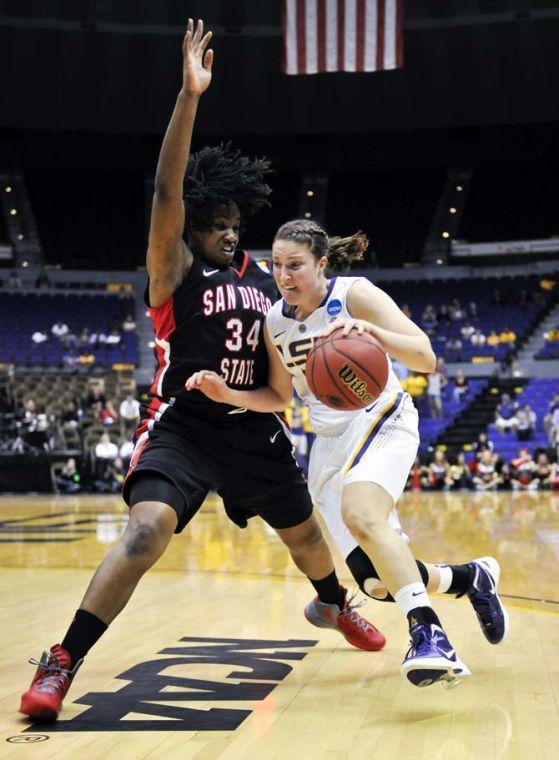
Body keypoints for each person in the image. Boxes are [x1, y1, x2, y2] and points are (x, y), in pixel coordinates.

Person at [20, 20, 381, 722]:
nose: (229, 230)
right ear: (188, 227)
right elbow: (163, 192)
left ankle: (334, 605)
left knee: (306, 535)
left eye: (233, 220)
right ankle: (63, 658)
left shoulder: (261, 278)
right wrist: (189, 97)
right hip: (186, 427)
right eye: (214, 220)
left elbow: (282, 376)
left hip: (251, 423)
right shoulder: (172, 268)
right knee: (146, 530)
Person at [188, 218, 508, 688]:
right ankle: (469, 579)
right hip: (330, 442)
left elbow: (425, 356)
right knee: (375, 581)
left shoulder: (354, 292)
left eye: (295, 265)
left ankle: (429, 634)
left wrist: (376, 337)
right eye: (276, 265)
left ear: (321, 264)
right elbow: (280, 397)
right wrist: (228, 395)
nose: (283, 275)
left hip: (382, 416)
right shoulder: (274, 321)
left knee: (363, 514)